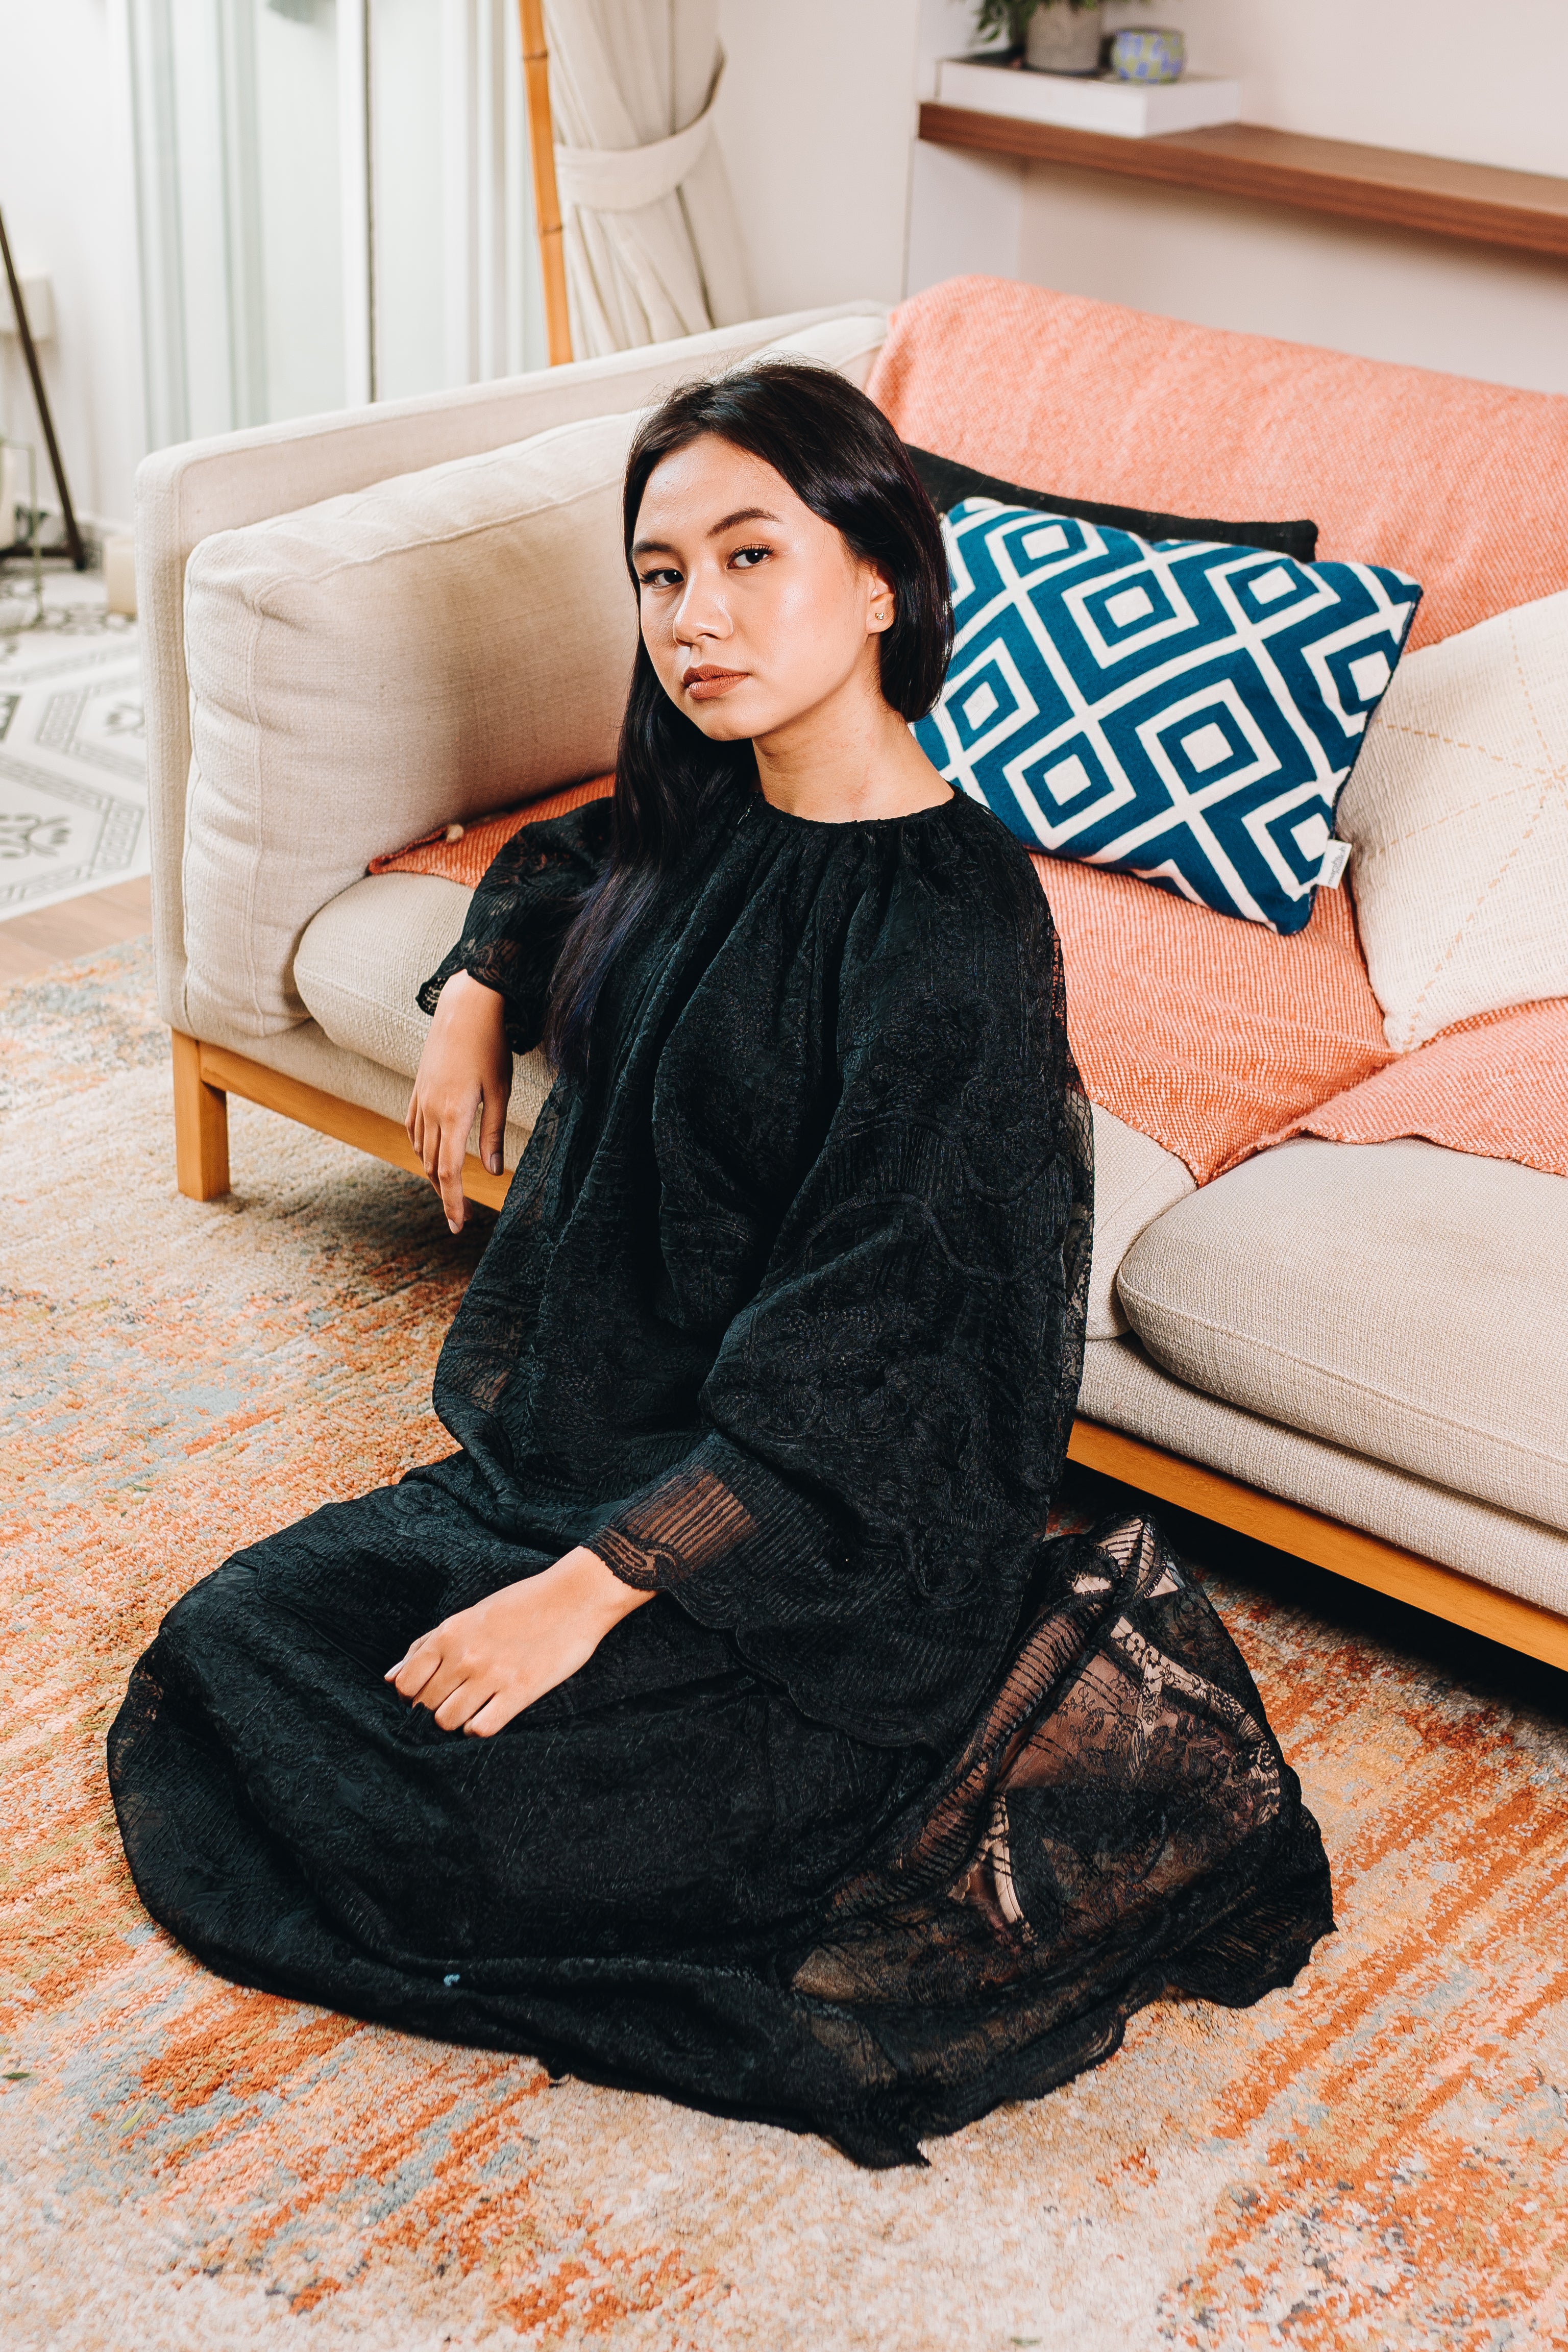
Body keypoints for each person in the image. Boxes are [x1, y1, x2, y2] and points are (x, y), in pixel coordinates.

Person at [110, 363, 1331, 2167]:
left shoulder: (950, 933)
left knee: (475, 1819)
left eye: (752, 557)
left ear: (880, 579)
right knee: (242, 1640)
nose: (696, 617)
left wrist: (590, 1589)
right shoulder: (711, 812)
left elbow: (886, 1361)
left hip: (815, 1545)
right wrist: (477, 988)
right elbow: (573, 852)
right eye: (662, 573)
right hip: (592, 1457)